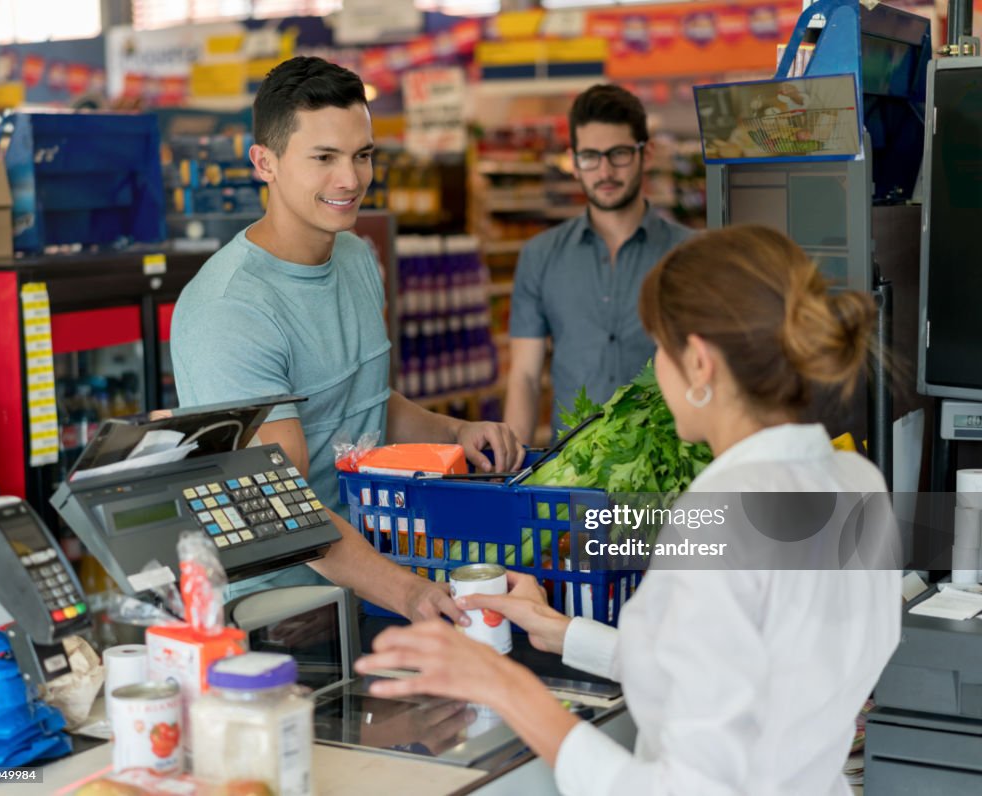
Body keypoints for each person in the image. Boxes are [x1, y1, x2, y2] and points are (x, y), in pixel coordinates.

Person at [355, 225, 902, 795]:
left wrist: (503, 687)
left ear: (698, 362)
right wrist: (568, 634)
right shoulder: (857, 482)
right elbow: (745, 681)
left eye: (659, 350)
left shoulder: (718, 516)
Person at [171, 56, 523, 619]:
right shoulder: (230, 309)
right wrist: (406, 591)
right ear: (265, 162)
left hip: (371, 571)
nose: (351, 179)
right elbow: (283, 504)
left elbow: (363, 403)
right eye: (324, 158)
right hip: (277, 608)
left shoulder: (356, 257)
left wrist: (457, 430)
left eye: (362, 155)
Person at [504, 83, 693, 446]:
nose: (604, 171)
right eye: (590, 156)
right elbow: (525, 377)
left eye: (619, 153)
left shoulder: (689, 255)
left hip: (667, 469)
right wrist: (510, 477)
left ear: (646, 154)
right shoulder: (539, 256)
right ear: (574, 162)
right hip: (573, 469)